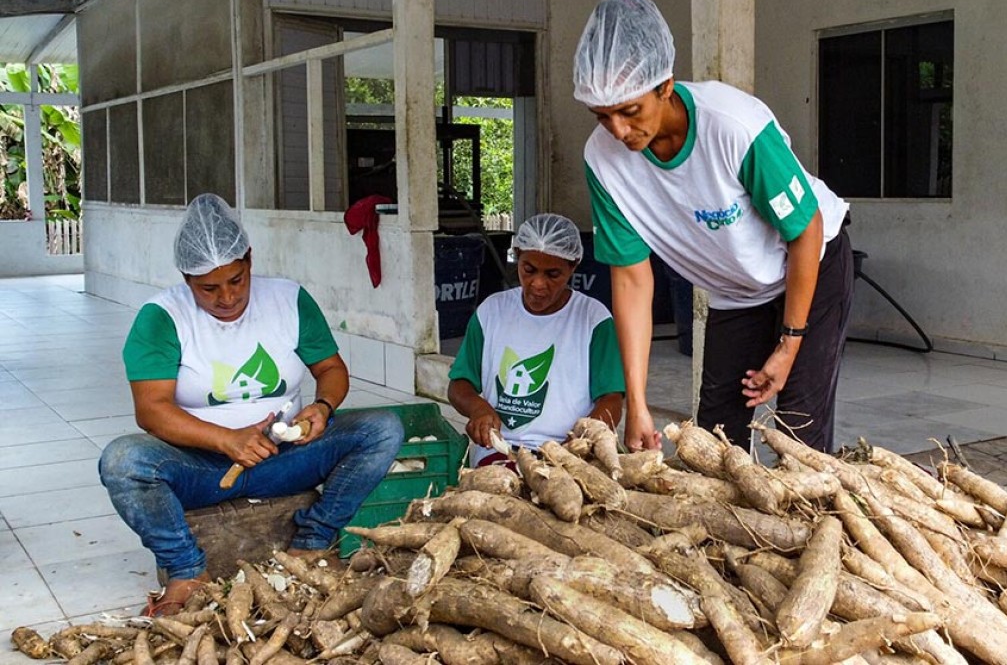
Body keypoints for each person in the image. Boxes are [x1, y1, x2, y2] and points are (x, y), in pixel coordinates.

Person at [573, 0, 854, 454]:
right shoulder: (602, 161)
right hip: (736, 290)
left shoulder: (733, 125)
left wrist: (788, 346)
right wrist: (637, 403)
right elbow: (631, 280)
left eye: (630, 111)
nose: (619, 131)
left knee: (798, 435)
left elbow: (806, 230)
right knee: (713, 439)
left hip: (812, 262)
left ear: (665, 86)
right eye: (602, 116)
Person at [99, 193, 404, 616]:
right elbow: (151, 410)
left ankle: (312, 542)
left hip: (285, 458)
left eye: (236, 280)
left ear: (250, 260)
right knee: (123, 460)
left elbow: (332, 369)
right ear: (186, 279)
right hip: (201, 469)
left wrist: (322, 407)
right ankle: (186, 569)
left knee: (383, 429)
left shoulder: (288, 300)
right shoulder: (161, 317)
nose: (226, 297)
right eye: (208, 288)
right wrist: (227, 440)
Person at [447, 214, 625, 467]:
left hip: (570, 453)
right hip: (502, 451)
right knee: (501, 489)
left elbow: (611, 399)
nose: (538, 284)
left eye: (553, 274)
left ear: (573, 266)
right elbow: (459, 385)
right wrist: (478, 408)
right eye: (528, 270)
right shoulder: (492, 312)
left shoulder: (593, 318)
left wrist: (582, 441)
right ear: (517, 256)